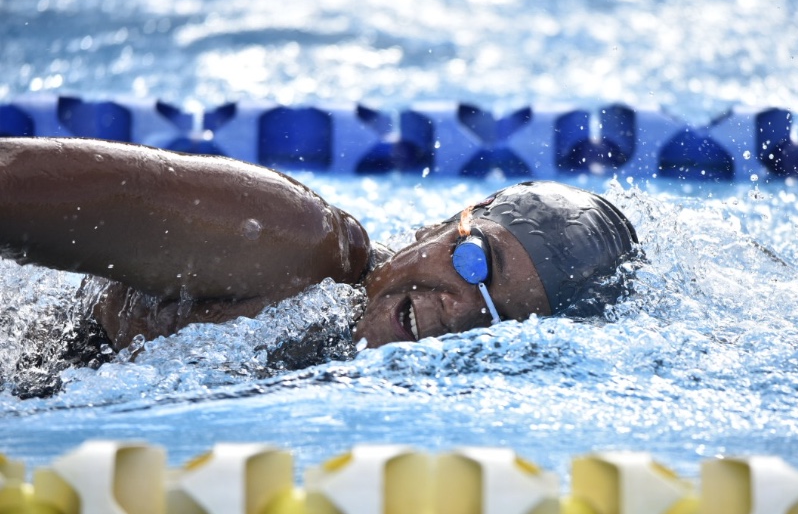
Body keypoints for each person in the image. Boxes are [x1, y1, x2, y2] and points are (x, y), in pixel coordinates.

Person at [1, 137, 637, 389]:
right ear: (447, 223)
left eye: (505, 320)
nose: (465, 311)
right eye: (477, 263)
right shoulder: (291, 239)